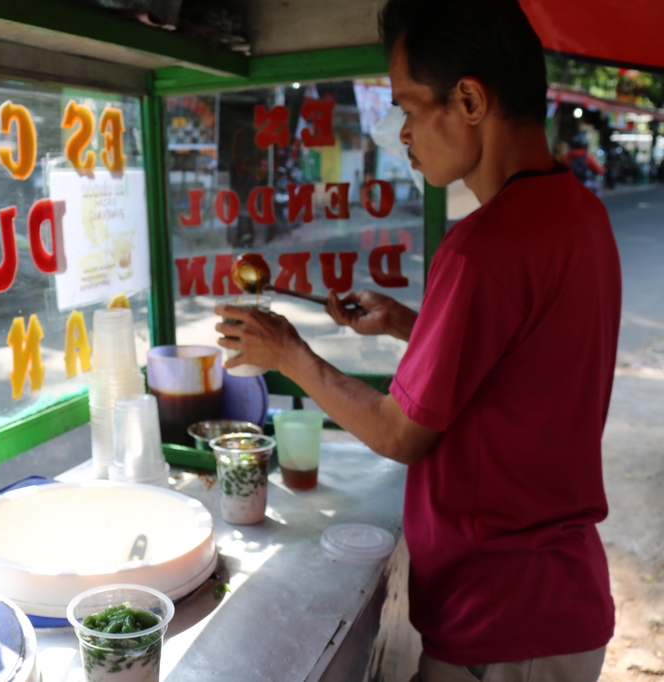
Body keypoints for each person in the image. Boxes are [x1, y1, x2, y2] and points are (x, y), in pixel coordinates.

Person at [214, 1, 620, 680]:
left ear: (467, 100)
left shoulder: (483, 248)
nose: (400, 133)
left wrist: (288, 352)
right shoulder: (578, 214)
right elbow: (526, 361)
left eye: (406, 108)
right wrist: (411, 323)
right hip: (560, 600)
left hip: (501, 616)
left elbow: (400, 433)